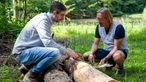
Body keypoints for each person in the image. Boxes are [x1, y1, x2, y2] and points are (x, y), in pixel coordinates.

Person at [12, 1, 79, 82]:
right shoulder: (43, 20)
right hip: (22, 53)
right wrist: (66, 51)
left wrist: (65, 50)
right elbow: (48, 43)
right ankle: (31, 75)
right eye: (62, 15)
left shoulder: (46, 19)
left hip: (28, 51)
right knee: (55, 53)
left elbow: (45, 42)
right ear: (55, 13)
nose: (63, 18)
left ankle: (27, 67)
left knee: (54, 56)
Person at [83, 7, 128, 75]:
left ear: (107, 18)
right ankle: (110, 63)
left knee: (117, 56)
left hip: (119, 51)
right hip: (106, 51)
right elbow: (95, 44)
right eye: (97, 19)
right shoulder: (98, 26)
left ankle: (120, 67)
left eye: (100, 19)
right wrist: (91, 53)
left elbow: (116, 48)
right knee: (86, 55)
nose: (98, 21)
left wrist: (105, 58)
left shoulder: (118, 27)